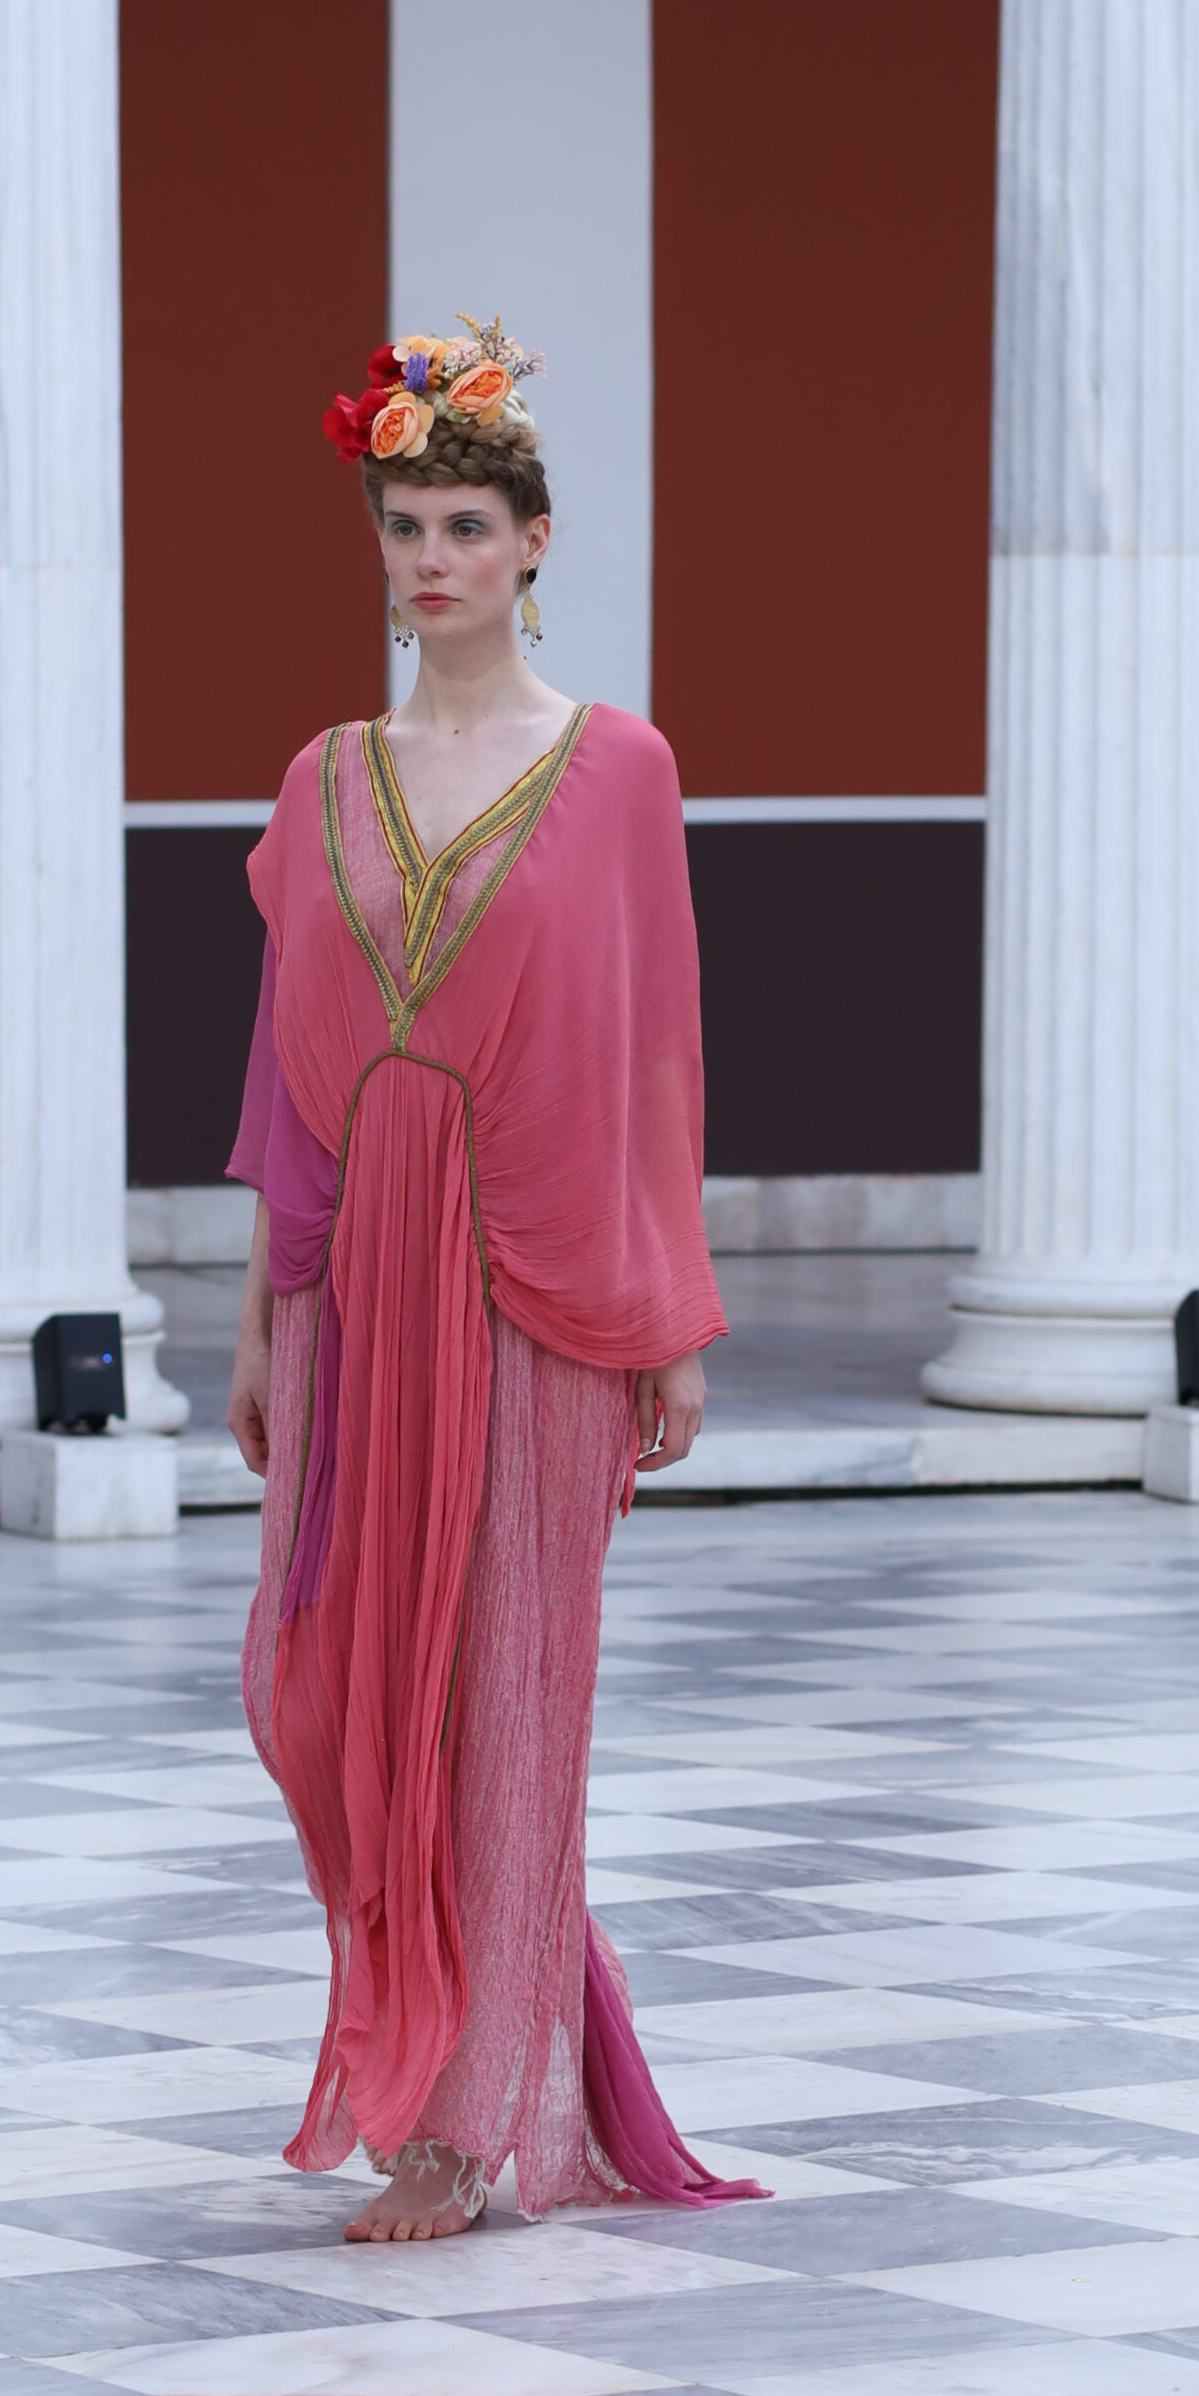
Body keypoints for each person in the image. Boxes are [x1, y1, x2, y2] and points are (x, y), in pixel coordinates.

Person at [225, 318, 765, 2240]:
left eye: (465, 524)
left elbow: (650, 1055)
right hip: (352, 1286)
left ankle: (464, 2122)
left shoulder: (616, 769)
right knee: (326, 1697)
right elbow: (285, 1072)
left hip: (530, 1287)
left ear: (534, 541)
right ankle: (443, 2039)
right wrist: (260, 1317)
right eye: (402, 526)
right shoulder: (326, 772)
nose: (430, 558)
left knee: (500, 1696)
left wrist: (669, 1322)